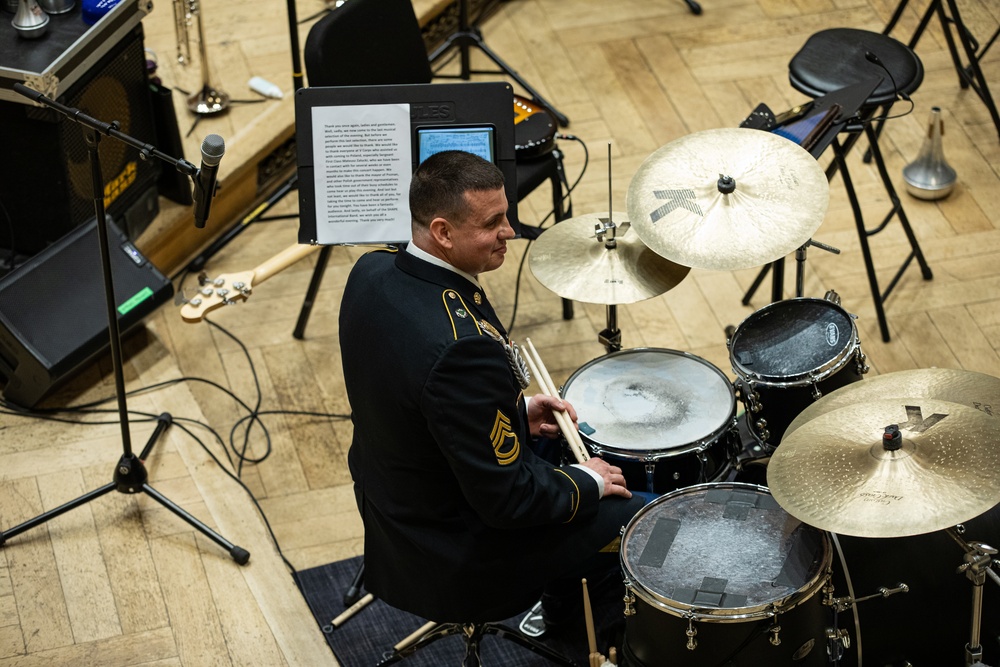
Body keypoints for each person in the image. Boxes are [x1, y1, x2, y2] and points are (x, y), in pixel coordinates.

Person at [339, 150, 644, 628]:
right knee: (643, 517)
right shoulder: (461, 348)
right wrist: (589, 482)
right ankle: (569, 617)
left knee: (572, 457)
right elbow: (510, 501)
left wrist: (514, 413)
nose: (511, 232)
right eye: (493, 222)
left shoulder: (371, 272)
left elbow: (414, 401)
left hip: (394, 508)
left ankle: (566, 604)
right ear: (442, 232)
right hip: (461, 548)